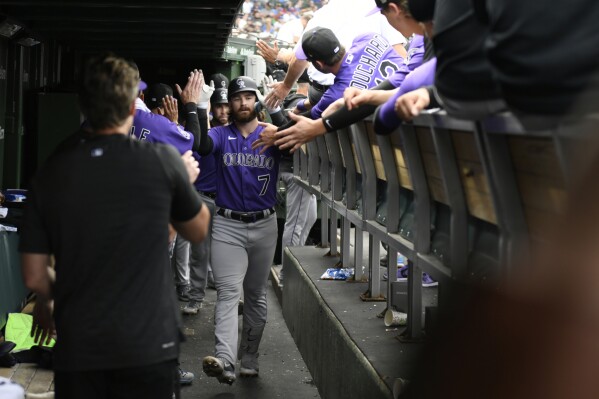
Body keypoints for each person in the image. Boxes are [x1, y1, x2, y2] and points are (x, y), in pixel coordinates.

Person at [19, 53, 211, 399]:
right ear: (130, 109)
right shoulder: (163, 161)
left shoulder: (53, 170)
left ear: (82, 107)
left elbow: (34, 276)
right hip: (149, 342)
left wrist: (50, 299)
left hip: (80, 343)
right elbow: (197, 231)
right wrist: (182, 183)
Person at [195, 76, 281, 384]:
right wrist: (197, 106)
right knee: (229, 293)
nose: (243, 102)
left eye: (248, 96)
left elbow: (296, 147)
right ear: (229, 103)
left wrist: (279, 111)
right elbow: (201, 145)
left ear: (256, 100)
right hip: (227, 225)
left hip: (265, 224)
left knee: (255, 293)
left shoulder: (271, 133)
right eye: (236, 98)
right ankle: (224, 360)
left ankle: (249, 356)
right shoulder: (220, 133)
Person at [183, 87, 231, 315]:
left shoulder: (235, 133)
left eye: (226, 105)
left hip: (225, 202)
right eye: (218, 105)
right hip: (202, 197)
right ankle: (195, 298)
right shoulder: (204, 131)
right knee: (199, 252)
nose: (223, 110)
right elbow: (198, 146)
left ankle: (230, 297)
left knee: (229, 253)